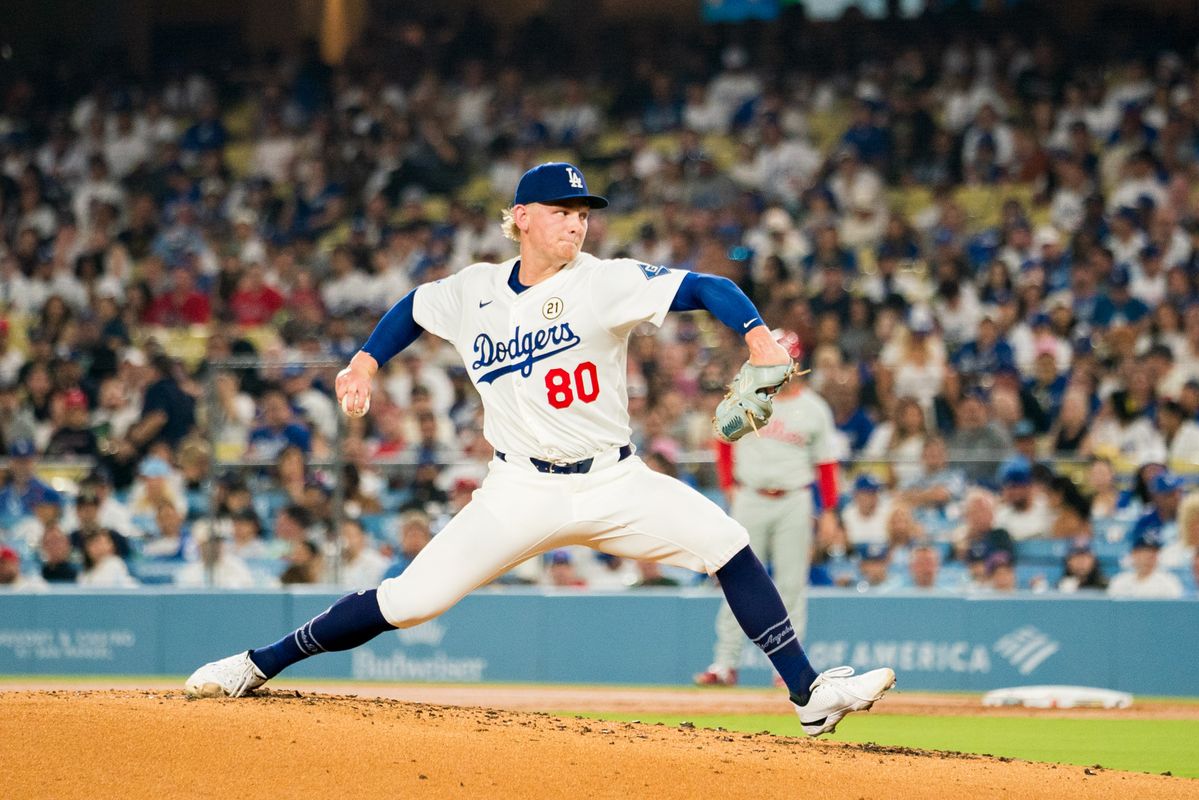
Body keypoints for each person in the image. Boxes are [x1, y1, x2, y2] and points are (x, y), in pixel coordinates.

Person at [186, 162, 893, 736]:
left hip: (614, 481)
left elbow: (710, 285)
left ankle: (808, 693)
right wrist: (366, 363)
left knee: (727, 540)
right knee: (408, 601)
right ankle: (256, 664)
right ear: (521, 217)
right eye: (561, 210)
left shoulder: (606, 280)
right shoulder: (474, 292)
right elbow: (411, 309)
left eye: (583, 211)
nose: (577, 221)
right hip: (517, 491)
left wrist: (758, 336)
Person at [697, 331, 839, 687]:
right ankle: (725, 663)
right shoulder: (745, 395)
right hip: (751, 496)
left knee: (792, 583)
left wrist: (831, 511)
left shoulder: (814, 408)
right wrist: (729, 486)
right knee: (736, 580)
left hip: (794, 498)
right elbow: (724, 442)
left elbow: (826, 464)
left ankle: (786, 668)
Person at [1107, 531, 1185, 599]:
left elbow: (1175, 611)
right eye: (1145, 552)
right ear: (1134, 554)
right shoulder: (1119, 581)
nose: (1149, 556)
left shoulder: (1169, 582)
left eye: (1153, 552)